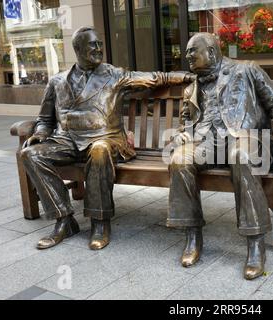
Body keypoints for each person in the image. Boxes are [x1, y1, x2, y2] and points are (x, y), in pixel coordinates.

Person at [21, 26, 194, 251]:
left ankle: (100, 223)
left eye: (99, 44)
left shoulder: (114, 74)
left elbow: (155, 78)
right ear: (78, 48)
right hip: (68, 140)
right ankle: (64, 220)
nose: (98, 48)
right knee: (30, 154)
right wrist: (40, 134)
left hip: (108, 139)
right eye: (93, 45)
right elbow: (44, 118)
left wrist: (190, 76)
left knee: (100, 149)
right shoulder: (57, 81)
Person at [167, 33, 273, 280]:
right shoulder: (192, 87)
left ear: (212, 52)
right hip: (207, 141)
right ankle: (192, 236)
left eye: (193, 51)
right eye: (187, 52)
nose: (187, 56)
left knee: (241, 156)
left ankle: (255, 244)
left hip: (245, 138)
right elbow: (187, 121)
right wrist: (183, 135)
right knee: (178, 159)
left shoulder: (247, 70)